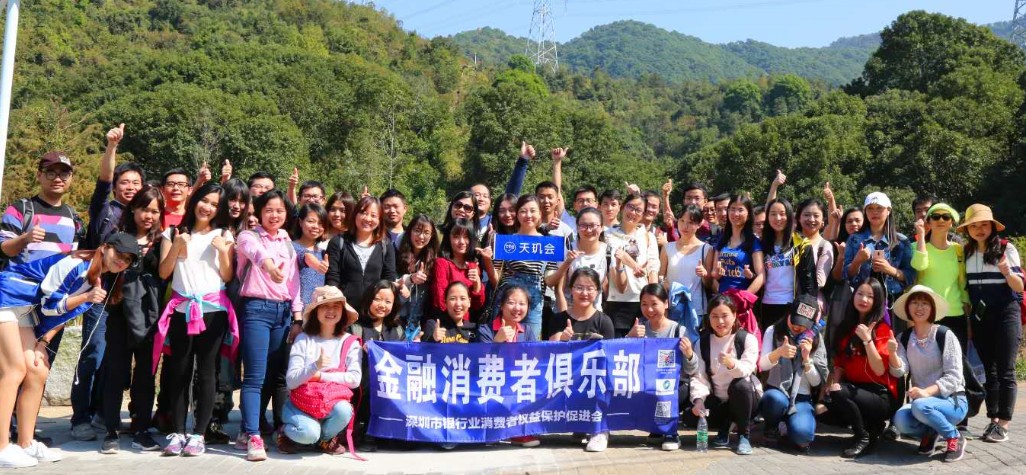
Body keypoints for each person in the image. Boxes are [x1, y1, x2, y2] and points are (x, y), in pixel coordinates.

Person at [0, 233, 138, 468]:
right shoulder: (75, 264)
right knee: (14, 370)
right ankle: (2, 446)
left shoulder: (98, 279)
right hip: (7, 297)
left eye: (128, 260)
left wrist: (42, 343)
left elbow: (64, 315)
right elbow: (50, 305)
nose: (121, 261)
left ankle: (26, 443)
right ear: (104, 247)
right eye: (119, 253)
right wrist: (86, 296)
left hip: (24, 311)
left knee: (37, 370)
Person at [155, 183, 237, 458]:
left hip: (212, 310)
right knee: (179, 370)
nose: (208, 207)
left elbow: (227, 276)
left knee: (206, 372)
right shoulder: (173, 232)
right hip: (181, 309)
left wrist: (223, 251)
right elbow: (164, 272)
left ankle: (199, 434)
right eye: (205, 201)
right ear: (195, 200)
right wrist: (177, 246)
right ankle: (178, 432)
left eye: (215, 204)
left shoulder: (224, 234)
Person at [234, 189, 302, 462]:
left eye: (280, 210)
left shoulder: (288, 242)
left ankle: (247, 429)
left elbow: (294, 284)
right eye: (269, 210)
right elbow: (255, 253)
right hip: (256, 311)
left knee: (273, 375)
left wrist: (297, 317)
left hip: (282, 314)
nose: (275, 215)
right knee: (254, 376)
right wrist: (269, 266)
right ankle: (253, 435)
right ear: (260, 212)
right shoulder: (248, 236)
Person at [98, 187, 165, 454]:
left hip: (150, 315)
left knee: (146, 376)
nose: (149, 216)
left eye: (155, 211)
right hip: (119, 313)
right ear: (134, 208)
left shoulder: (162, 240)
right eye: (145, 209)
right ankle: (111, 431)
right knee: (115, 373)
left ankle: (141, 429)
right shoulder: (117, 237)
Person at [960, 204, 1023, 443]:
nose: (979, 229)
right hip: (980, 317)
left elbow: (1019, 286)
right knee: (990, 371)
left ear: (992, 226)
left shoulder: (1006, 248)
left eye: (984, 224)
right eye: (974, 225)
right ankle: (993, 419)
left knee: (1006, 370)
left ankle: (1004, 423)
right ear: (967, 230)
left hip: (1006, 313)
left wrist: (1007, 272)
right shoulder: (966, 252)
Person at [278, 286, 361, 456]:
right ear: (316, 311)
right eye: (325, 306)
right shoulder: (303, 339)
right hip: (301, 404)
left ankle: (324, 440)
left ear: (343, 311)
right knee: (309, 434)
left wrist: (320, 376)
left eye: (336, 306)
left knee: (345, 410)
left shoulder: (350, 342)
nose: (331, 311)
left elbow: (354, 379)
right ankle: (285, 434)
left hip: (331, 402)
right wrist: (314, 366)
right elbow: (291, 381)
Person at [888, 285, 967, 462]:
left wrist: (926, 392)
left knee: (919, 406)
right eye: (914, 302)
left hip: (952, 401)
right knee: (900, 420)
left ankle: (954, 436)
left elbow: (954, 376)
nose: (919, 307)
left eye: (925, 303)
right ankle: (931, 432)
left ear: (932, 308)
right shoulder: (904, 338)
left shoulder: (944, 334)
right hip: (923, 405)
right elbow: (899, 371)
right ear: (907, 307)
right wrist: (892, 353)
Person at [824, 278, 898, 458]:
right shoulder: (845, 327)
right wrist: (832, 386)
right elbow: (840, 364)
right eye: (860, 294)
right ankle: (872, 426)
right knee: (825, 410)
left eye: (870, 296)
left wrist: (867, 340)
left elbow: (879, 370)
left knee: (840, 393)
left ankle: (862, 436)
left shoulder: (882, 329)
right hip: (854, 389)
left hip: (880, 395)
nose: (864, 299)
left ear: (877, 301)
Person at [545, 268, 615, 452]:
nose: (584, 293)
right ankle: (578, 424)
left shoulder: (604, 321)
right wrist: (562, 339)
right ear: (570, 289)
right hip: (566, 380)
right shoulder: (558, 319)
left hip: (593, 381)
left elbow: (611, 360)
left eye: (590, 288)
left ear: (597, 291)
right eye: (579, 287)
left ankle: (600, 430)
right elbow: (548, 354)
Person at [687, 294, 761, 456]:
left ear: (734, 315)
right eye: (714, 316)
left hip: (746, 399)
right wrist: (699, 400)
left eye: (725, 316)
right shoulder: (703, 342)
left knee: (741, 385)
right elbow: (699, 376)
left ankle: (743, 435)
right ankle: (726, 423)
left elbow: (747, 369)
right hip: (719, 400)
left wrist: (731, 363)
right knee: (690, 417)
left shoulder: (747, 339)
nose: (720, 322)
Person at [628, 284, 698, 451]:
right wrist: (630, 336)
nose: (649, 309)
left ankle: (670, 431)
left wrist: (689, 354)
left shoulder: (678, 330)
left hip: (673, 386)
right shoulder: (639, 328)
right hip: (645, 384)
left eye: (654, 304)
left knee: (668, 391)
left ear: (666, 303)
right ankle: (656, 426)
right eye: (644, 304)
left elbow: (691, 370)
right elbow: (623, 359)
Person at [758, 294, 828, 454]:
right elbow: (762, 365)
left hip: (801, 398)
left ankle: (789, 427)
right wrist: (778, 353)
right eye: (794, 320)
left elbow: (817, 383)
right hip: (777, 391)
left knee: (803, 436)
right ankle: (771, 427)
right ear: (789, 314)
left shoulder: (816, 339)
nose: (797, 327)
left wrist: (807, 359)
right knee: (773, 399)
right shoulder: (773, 330)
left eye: (803, 324)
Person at [476, 285, 540, 447]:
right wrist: (497, 341)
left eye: (522, 303)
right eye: (511, 303)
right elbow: (481, 363)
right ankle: (494, 430)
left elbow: (535, 362)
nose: (517, 308)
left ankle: (517, 431)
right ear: (501, 305)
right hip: (494, 386)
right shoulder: (485, 330)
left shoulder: (527, 331)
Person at [488, 195, 557, 339]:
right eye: (523, 211)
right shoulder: (505, 241)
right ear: (517, 214)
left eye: (533, 211)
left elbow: (550, 281)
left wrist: (567, 262)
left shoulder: (548, 243)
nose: (528, 215)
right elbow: (496, 278)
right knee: (501, 340)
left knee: (530, 344)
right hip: (507, 298)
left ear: (540, 214)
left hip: (534, 301)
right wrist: (487, 259)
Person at [348, 280, 404, 452]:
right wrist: (361, 351)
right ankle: (366, 430)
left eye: (388, 301)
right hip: (363, 387)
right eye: (377, 299)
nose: (382, 305)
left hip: (391, 387)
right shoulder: (355, 327)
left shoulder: (397, 329)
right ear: (368, 299)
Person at [911, 203, 969, 347]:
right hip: (926, 314)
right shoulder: (916, 247)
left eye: (946, 217)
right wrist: (921, 235)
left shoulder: (958, 250)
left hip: (955, 314)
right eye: (936, 217)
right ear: (928, 222)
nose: (941, 220)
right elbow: (920, 265)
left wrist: (968, 318)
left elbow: (962, 284)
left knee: (957, 360)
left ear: (951, 223)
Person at [325, 196, 398, 310]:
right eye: (363, 213)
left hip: (374, 312)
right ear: (355, 214)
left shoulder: (386, 245)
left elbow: (389, 278)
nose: (368, 218)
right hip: (344, 311)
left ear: (379, 220)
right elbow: (332, 278)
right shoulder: (338, 242)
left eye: (373, 215)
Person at [843, 192, 915, 305]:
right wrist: (857, 261)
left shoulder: (901, 241)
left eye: (879, 208)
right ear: (865, 212)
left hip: (892, 301)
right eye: (870, 208)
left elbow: (910, 276)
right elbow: (846, 275)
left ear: (888, 210)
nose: (874, 212)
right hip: (862, 300)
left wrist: (889, 269)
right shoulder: (854, 239)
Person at [605, 193, 659, 338]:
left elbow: (653, 268)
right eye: (630, 207)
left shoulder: (648, 237)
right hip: (615, 301)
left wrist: (654, 299)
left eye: (638, 210)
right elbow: (617, 255)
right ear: (622, 207)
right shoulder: (608, 235)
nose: (633, 213)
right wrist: (635, 266)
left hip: (642, 302)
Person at [659, 205, 714, 331]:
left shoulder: (706, 249)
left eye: (690, 222)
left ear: (699, 224)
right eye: (682, 221)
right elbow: (661, 276)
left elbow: (709, 284)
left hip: (696, 309)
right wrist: (663, 283)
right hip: (673, 307)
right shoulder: (668, 248)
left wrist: (704, 274)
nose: (685, 226)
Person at [549, 208, 610, 313]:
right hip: (567, 311)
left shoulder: (608, 252)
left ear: (602, 227)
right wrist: (565, 316)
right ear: (577, 227)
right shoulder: (566, 248)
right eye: (583, 225)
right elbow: (559, 290)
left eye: (593, 225)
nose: (588, 230)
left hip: (594, 313)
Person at [429, 221, 486, 320]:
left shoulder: (473, 266)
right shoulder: (442, 264)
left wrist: (477, 283)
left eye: (466, 237)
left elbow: (477, 305)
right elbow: (440, 301)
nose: (461, 242)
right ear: (449, 239)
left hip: (465, 323)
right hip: (445, 322)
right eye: (456, 237)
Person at [395, 214, 438, 338]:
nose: (421, 236)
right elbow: (390, 282)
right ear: (409, 231)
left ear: (432, 235)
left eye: (426, 233)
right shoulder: (395, 253)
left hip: (417, 323)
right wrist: (410, 279)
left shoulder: (433, 259)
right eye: (417, 231)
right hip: (395, 319)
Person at [711, 194, 764, 295]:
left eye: (740, 210)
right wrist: (718, 273)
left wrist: (744, 297)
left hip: (742, 298)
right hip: (723, 299)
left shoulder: (753, 241)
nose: (736, 214)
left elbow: (761, 276)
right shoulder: (722, 240)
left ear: (748, 214)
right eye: (732, 209)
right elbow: (714, 274)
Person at [291, 203, 330, 306]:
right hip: (294, 310)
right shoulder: (290, 247)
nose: (316, 226)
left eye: (320, 223)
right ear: (300, 222)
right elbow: (305, 256)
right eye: (311, 221)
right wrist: (316, 264)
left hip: (316, 310)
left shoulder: (323, 253)